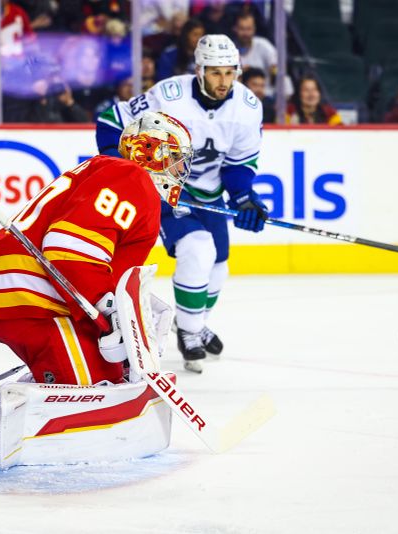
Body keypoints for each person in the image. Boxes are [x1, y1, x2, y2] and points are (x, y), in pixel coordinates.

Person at [0, 111, 193, 469]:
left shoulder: (110, 173)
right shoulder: (131, 178)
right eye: (177, 160)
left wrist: (117, 316)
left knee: (105, 372)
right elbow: (70, 249)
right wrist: (107, 314)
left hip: (20, 291)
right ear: (153, 152)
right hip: (32, 297)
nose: (180, 172)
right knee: (98, 391)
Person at [96, 34, 267, 373]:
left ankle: (195, 322)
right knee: (197, 248)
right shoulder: (169, 95)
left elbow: (238, 164)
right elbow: (110, 121)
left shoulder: (247, 107)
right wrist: (123, 166)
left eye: (230, 73)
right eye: (216, 73)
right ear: (200, 70)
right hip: (166, 188)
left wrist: (246, 197)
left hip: (209, 191)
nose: (224, 81)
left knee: (219, 267)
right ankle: (189, 333)